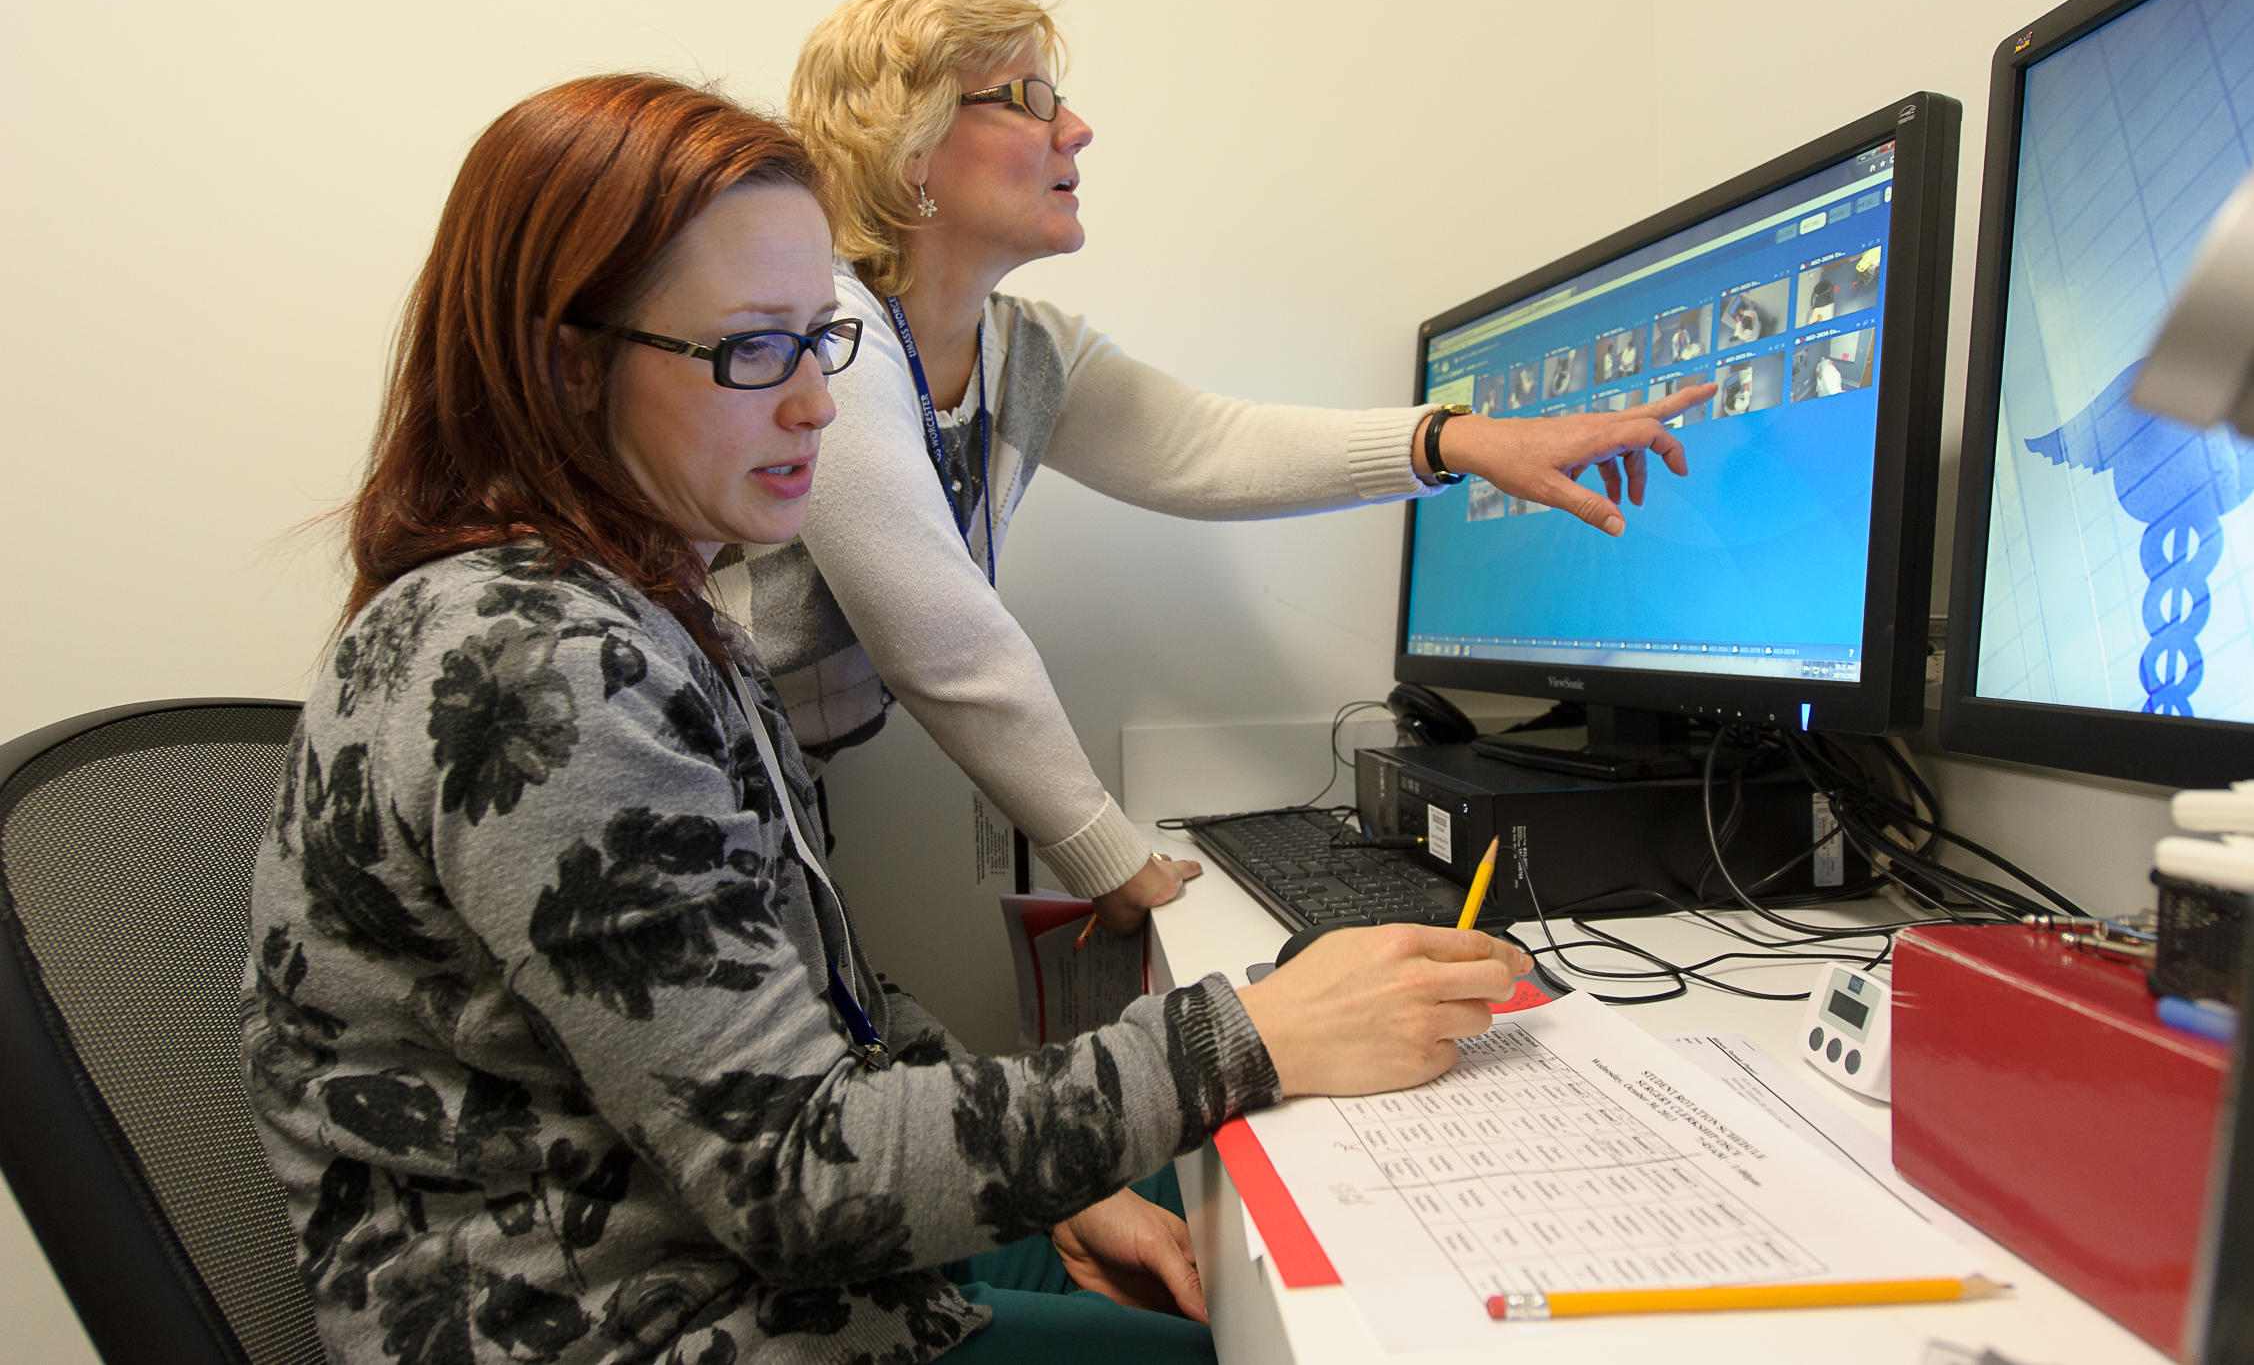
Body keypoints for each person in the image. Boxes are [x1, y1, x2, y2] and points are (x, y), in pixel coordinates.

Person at [240, 72, 1537, 1365]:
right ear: (564, 364)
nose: (814, 402)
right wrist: (1246, 1040)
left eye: (822, 339)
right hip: (625, 1315)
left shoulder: (659, 609)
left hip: (721, 1234)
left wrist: (1069, 1190)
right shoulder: (544, 665)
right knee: (1271, 1333)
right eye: (753, 349)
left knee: (1227, 1220)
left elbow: (818, 1006)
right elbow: (794, 1177)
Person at [726, 0, 1714, 932]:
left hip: (776, 782)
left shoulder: (1019, 348)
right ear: (909, 147)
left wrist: (1457, 438)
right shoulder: (830, 331)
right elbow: (939, 634)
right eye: (1030, 99)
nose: (1078, 128)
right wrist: (1106, 857)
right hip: (696, 766)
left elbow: (1206, 448)